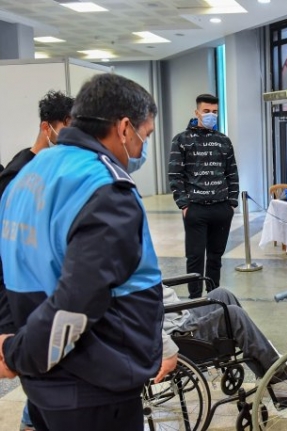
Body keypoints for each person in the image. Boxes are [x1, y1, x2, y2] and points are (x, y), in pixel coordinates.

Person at [0, 73, 169, 431]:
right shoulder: (105, 188)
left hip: (46, 382)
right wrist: (16, 353)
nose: (142, 149)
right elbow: (76, 303)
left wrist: (13, 343)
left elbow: (11, 265)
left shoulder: (32, 173)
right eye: (146, 134)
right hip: (94, 384)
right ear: (124, 128)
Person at [0, 90, 74, 431]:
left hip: (55, 303)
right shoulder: (16, 180)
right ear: (48, 128)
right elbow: (6, 258)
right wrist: (5, 325)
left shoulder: (60, 172)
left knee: (48, 383)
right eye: (67, 128)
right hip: (25, 304)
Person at [162, 285, 287, 397]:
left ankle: (265, 369)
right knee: (233, 314)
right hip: (176, 334)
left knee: (222, 294)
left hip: (179, 315)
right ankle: (280, 378)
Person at [169, 93, 239, 298]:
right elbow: (175, 174)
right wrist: (183, 205)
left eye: (215, 112)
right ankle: (195, 300)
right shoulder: (182, 140)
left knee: (216, 257)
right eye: (206, 111)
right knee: (195, 257)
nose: (211, 115)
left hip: (221, 208)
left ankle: (214, 296)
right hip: (195, 209)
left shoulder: (223, 141)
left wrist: (232, 203)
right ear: (197, 112)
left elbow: (232, 173)